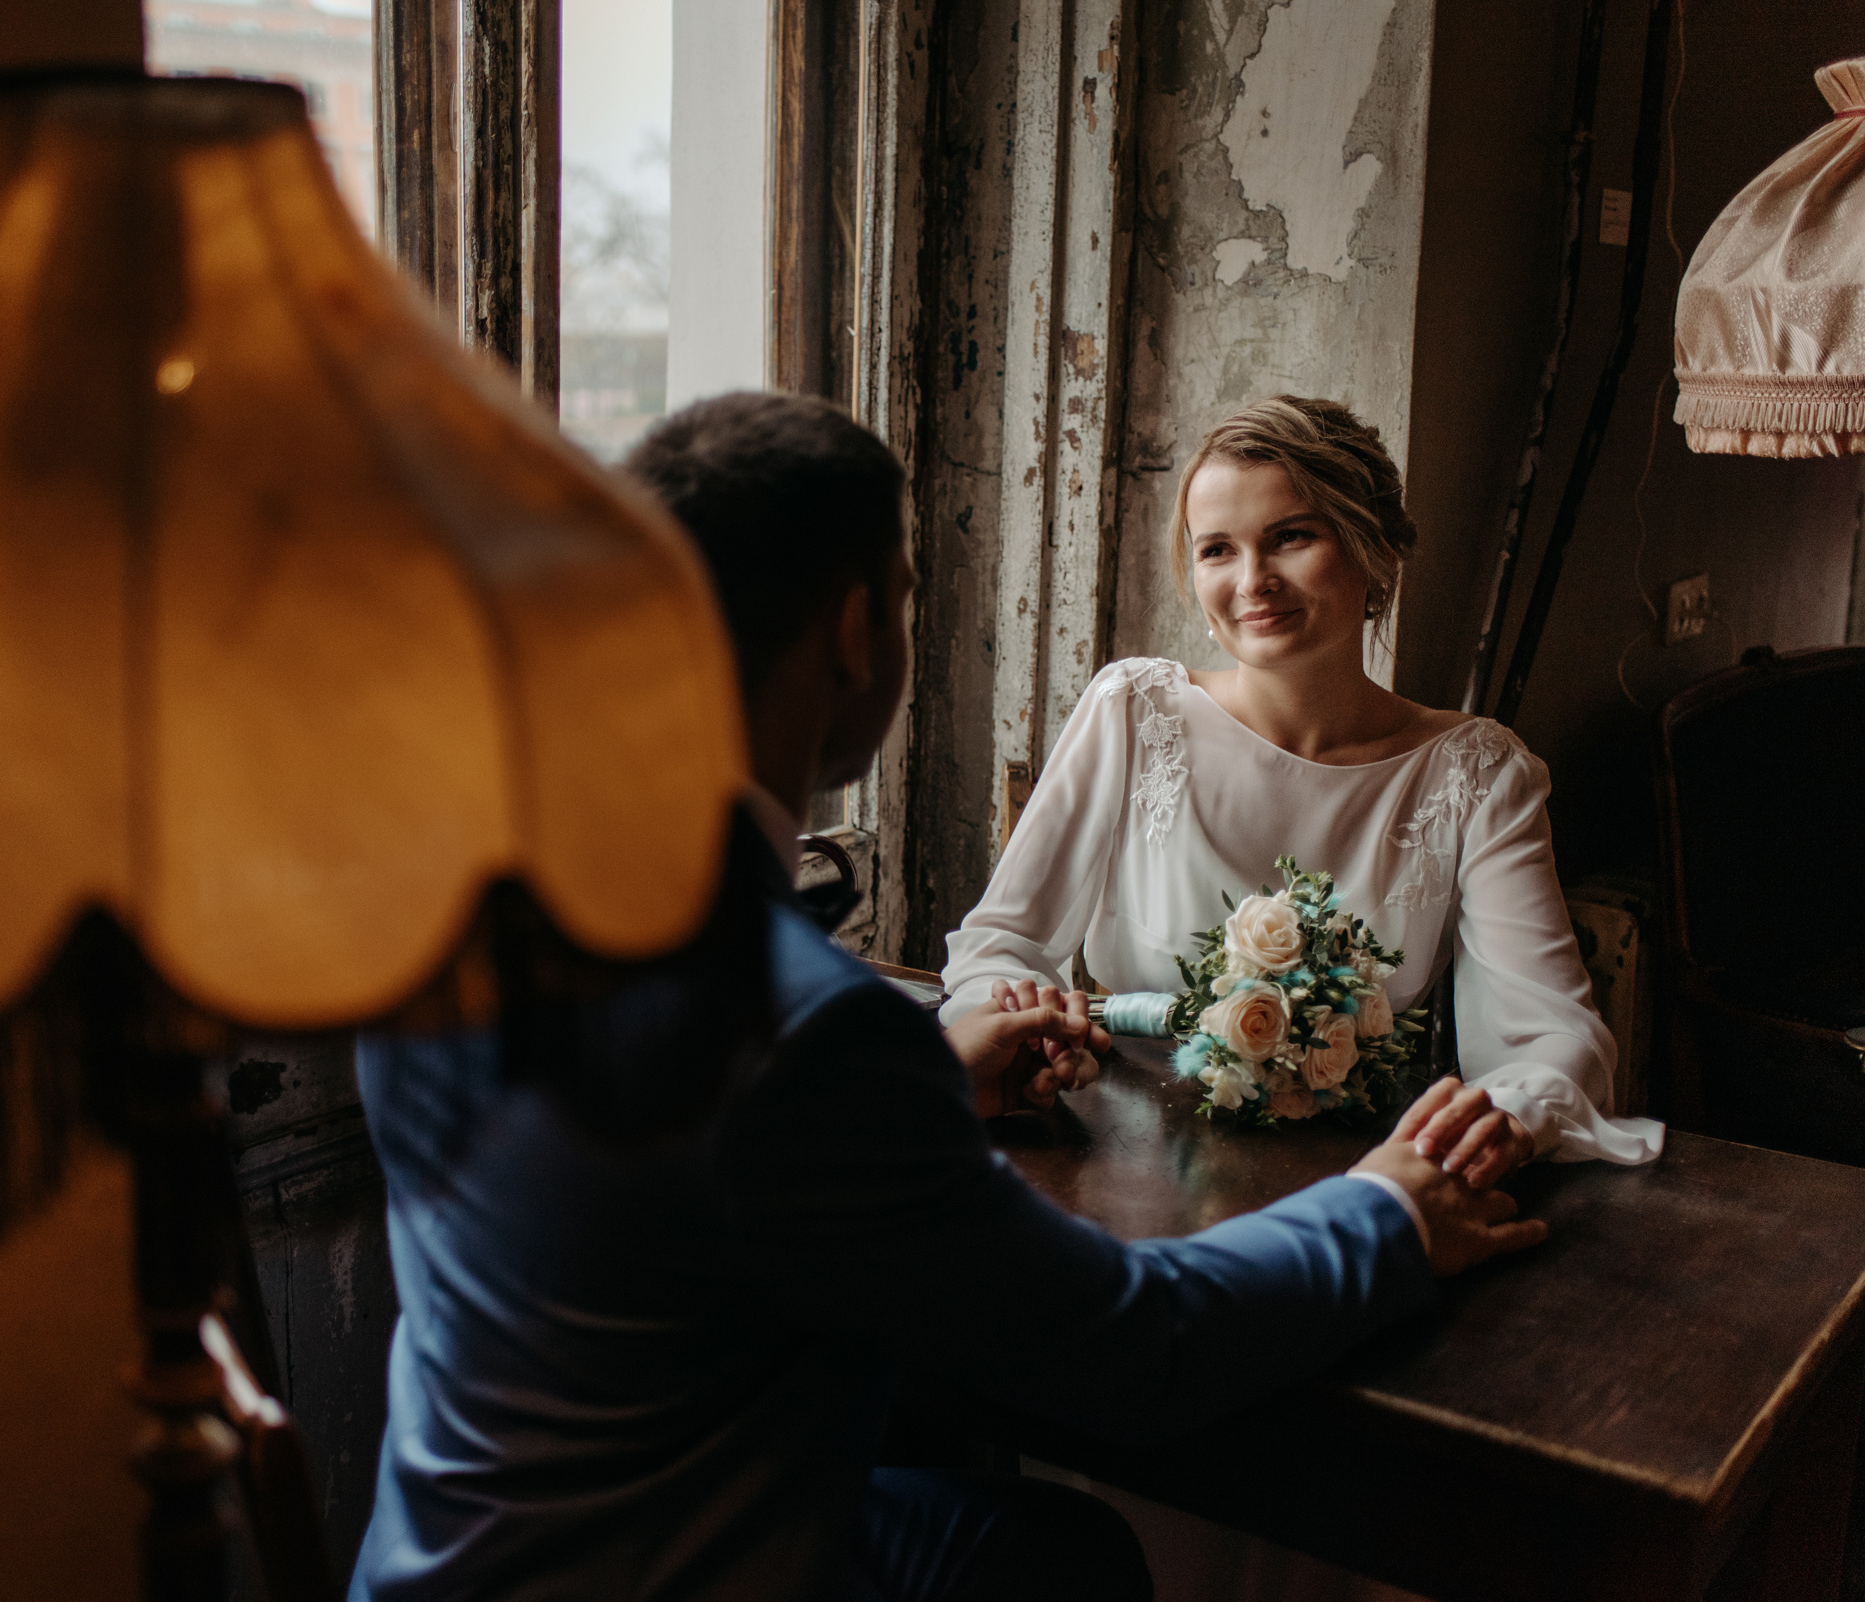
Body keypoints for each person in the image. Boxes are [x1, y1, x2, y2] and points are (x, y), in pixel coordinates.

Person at [348, 392, 1545, 1602]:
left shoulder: (461, 918)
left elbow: (682, 1167)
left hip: (448, 1556)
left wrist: (927, 1080)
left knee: (1043, 1550)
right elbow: (1132, 1348)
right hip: (682, 1563)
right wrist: (1386, 1215)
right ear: (860, 630)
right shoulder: (812, 1028)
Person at [941, 396, 1663, 1182]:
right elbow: (998, 945)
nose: (1253, 581)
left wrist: (1507, 1118)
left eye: (1290, 537)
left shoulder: (1476, 773)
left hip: (1360, 1175)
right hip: (1120, 1160)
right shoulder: (1132, 713)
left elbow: (1555, 1031)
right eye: (1217, 549)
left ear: (1374, 547)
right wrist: (1027, 1025)